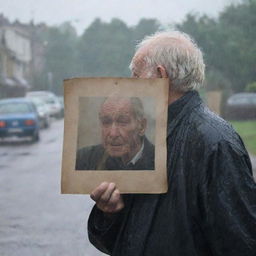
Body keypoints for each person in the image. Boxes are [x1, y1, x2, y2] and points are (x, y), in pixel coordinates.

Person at [87, 31, 256, 256]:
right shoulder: (146, 136)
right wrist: (110, 213)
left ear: (160, 76)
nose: (129, 85)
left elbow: (240, 242)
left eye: (135, 76)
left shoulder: (215, 142)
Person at [76, 96, 155, 170]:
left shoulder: (160, 160)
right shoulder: (83, 159)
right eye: (106, 122)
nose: (113, 134)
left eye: (122, 122)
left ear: (141, 126)